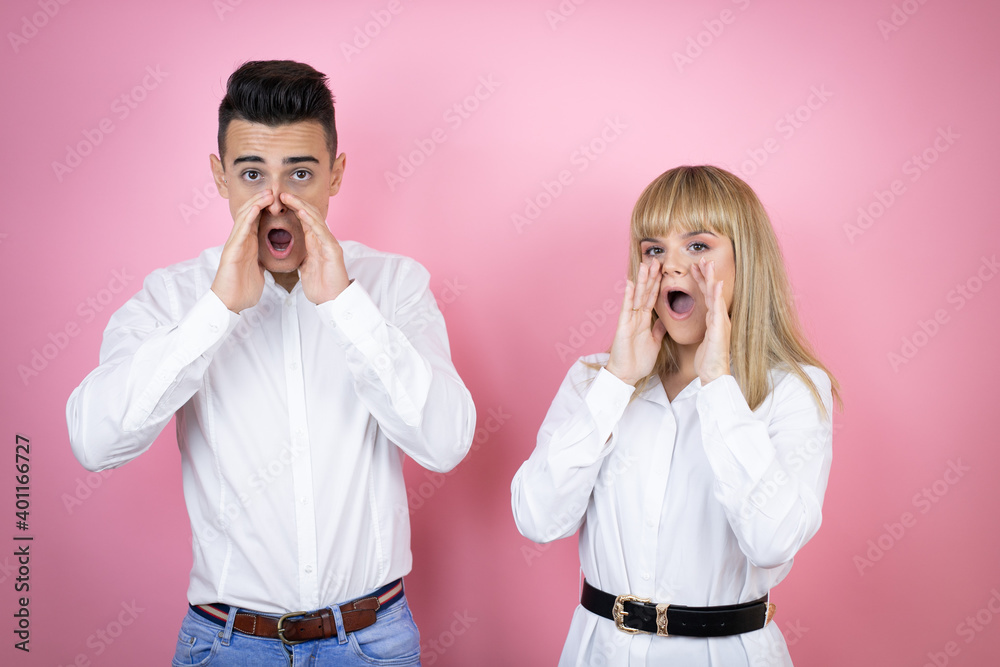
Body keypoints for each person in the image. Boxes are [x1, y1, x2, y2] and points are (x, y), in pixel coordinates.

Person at [66, 60, 475, 666]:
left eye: (301, 173)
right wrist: (216, 311)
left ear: (336, 174)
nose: (276, 202)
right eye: (252, 174)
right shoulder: (171, 298)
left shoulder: (393, 285)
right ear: (219, 176)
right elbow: (94, 442)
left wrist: (344, 305)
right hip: (226, 645)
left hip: (372, 641)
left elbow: (445, 443)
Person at [511, 165, 839, 666]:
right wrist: (617, 381)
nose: (670, 266)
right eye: (654, 249)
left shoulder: (794, 389)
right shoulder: (593, 380)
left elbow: (772, 541)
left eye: (699, 246)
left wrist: (719, 385)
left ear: (745, 260)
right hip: (601, 652)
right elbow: (536, 518)